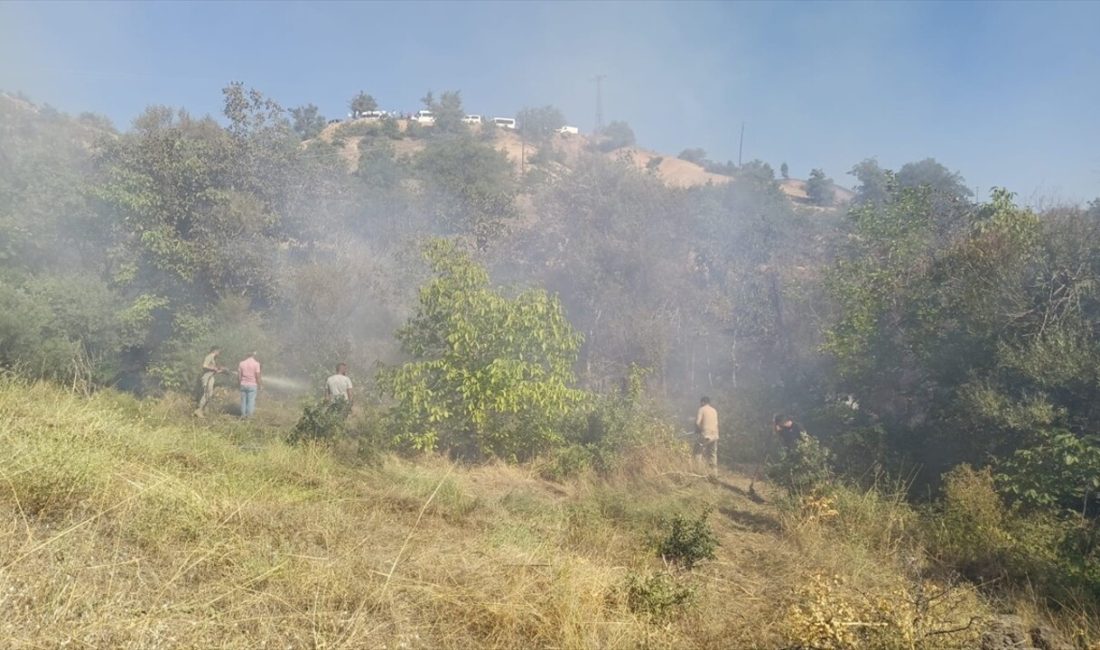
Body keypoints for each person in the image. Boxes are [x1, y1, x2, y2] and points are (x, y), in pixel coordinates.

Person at [193, 346, 225, 418]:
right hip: (207, 378)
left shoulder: (212, 358)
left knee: (209, 394)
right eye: (218, 351)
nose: (219, 353)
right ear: (215, 350)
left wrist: (222, 371)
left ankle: (203, 410)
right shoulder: (209, 356)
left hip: (210, 377)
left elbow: (212, 370)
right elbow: (204, 366)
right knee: (207, 394)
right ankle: (199, 410)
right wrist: (214, 368)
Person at [694, 396, 719, 473]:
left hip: (705, 434)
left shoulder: (701, 409)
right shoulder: (714, 410)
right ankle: (714, 473)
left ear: (703, 402)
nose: (700, 404)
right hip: (715, 435)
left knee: (698, 451)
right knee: (712, 454)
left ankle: (698, 471)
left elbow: (697, 422)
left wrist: (698, 430)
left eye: (701, 403)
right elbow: (716, 423)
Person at [237, 351, 262, 418]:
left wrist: (239, 383)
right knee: (251, 401)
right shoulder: (256, 364)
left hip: (243, 384)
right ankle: (249, 416)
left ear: (246, 355)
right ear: (253, 355)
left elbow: (239, 375)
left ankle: (243, 415)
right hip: (252, 385)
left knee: (243, 401)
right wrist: (260, 385)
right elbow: (257, 376)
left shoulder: (241, 363)